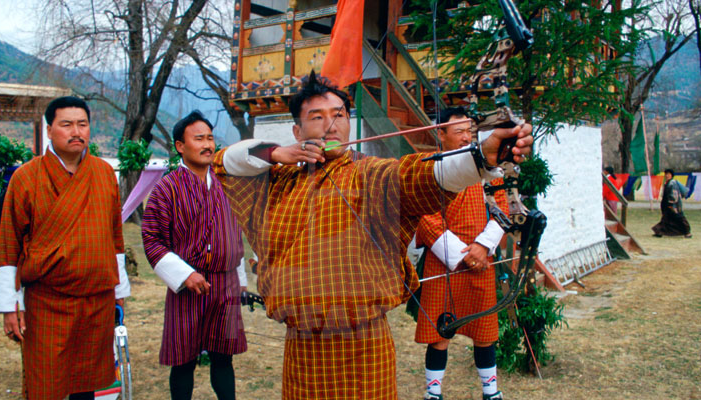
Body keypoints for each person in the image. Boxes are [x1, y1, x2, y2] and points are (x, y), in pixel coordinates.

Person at [210, 71, 534, 400]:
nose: (330, 125)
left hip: (365, 344)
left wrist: (481, 157)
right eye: (316, 117)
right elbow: (222, 163)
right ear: (297, 130)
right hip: (302, 346)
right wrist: (275, 153)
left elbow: (421, 175)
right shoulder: (276, 184)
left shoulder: (372, 174)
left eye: (339, 115)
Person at [0, 96, 131, 400]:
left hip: (97, 302)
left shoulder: (104, 173)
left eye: (82, 124)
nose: (76, 132)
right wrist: (9, 306)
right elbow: (9, 243)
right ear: (49, 129)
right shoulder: (26, 177)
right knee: (47, 383)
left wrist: (119, 289)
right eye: (66, 124)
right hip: (47, 303)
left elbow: (114, 237)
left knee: (88, 383)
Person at [141, 111, 248, 400]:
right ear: (180, 146)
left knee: (224, 358)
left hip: (224, 285)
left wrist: (240, 282)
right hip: (188, 287)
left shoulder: (227, 184)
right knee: (183, 360)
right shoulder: (167, 188)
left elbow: (233, 237)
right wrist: (184, 274)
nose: (207, 145)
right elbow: (152, 239)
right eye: (198, 138)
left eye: (210, 138)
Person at [411, 108, 508, 400]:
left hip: (482, 260)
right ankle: (433, 394)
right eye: (459, 132)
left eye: (470, 131)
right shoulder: (430, 167)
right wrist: (460, 254)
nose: (467, 137)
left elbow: (501, 207)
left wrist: (482, 246)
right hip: (444, 263)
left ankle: (490, 392)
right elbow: (425, 216)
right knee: (439, 334)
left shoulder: (489, 167)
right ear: (441, 135)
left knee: (484, 330)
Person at [652, 168, 692, 238]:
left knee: (679, 218)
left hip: (673, 205)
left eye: (668, 174)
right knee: (665, 219)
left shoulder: (672, 183)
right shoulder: (667, 183)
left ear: (671, 175)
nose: (667, 176)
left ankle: (687, 232)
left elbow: (674, 195)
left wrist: (671, 204)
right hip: (667, 204)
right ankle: (659, 232)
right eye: (666, 174)